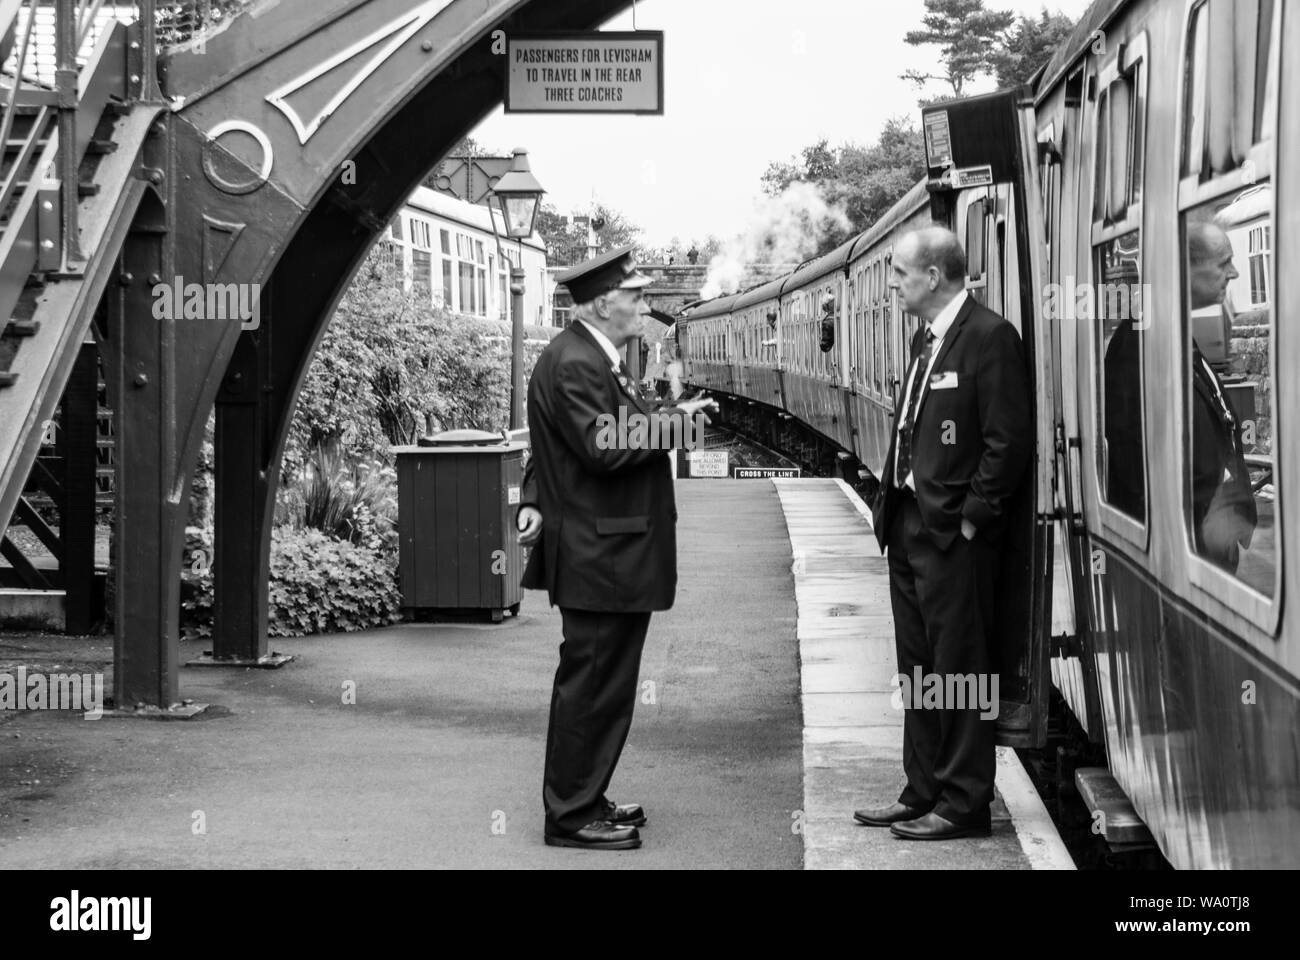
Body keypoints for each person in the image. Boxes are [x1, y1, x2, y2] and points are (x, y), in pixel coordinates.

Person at [515, 245, 717, 851]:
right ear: (604, 303)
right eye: (635, 296)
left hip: (607, 552)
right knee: (593, 683)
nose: (643, 306)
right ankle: (571, 816)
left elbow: (575, 442)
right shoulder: (578, 362)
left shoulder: (590, 357)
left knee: (603, 684)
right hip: (601, 557)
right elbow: (602, 446)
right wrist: (677, 424)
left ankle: (587, 795)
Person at [855, 227, 1032, 841]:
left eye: (900, 273)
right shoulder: (925, 339)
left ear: (934, 276)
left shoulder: (989, 338)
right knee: (921, 667)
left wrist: (970, 518)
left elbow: (1007, 444)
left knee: (962, 668)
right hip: (907, 526)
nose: (894, 284)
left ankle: (963, 803)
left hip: (954, 538)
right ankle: (922, 788)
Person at [1186, 221, 1256, 572]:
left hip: (1215, 546)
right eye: (1223, 262)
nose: (1236, 272)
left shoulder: (1183, 336)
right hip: (1195, 553)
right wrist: (1198, 526)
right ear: (1185, 267)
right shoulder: (1138, 345)